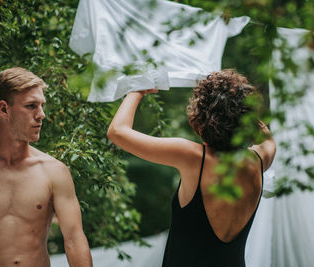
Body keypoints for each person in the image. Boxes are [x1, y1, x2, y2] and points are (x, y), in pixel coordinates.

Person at [107, 69, 276, 267]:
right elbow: (267, 139)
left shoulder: (193, 157)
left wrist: (137, 90)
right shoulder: (258, 159)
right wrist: (242, 108)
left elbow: (117, 131)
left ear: (200, 124)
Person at [0, 67, 92, 267]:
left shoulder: (54, 171)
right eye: (31, 106)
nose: (41, 115)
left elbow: (75, 240)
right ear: (4, 109)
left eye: (42, 106)